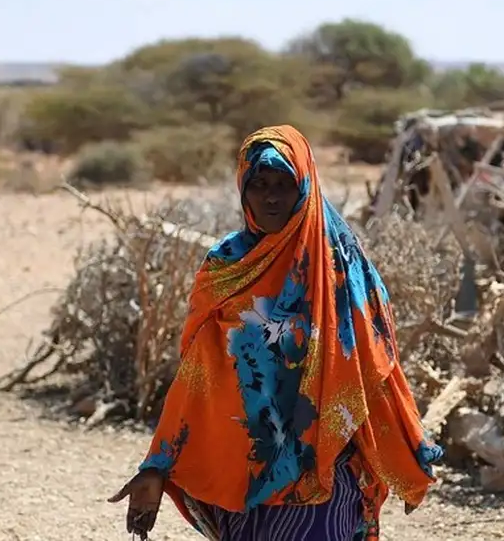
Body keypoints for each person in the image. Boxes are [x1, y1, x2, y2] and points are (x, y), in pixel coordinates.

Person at [109, 125, 443, 541]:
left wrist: (405, 454)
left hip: (326, 467)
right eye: (259, 184)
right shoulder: (226, 266)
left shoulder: (340, 265)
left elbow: (374, 367)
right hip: (243, 473)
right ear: (243, 189)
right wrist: (157, 465)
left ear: (305, 186)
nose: (271, 197)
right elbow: (198, 376)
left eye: (284, 184)